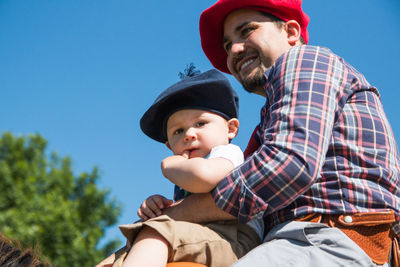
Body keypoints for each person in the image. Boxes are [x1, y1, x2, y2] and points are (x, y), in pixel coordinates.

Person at [156, 0, 400, 266]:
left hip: (329, 236)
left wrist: (174, 215)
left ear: (291, 32)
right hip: (297, 241)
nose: (235, 49)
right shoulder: (269, 119)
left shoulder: (304, 59)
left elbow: (289, 164)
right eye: (228, 45)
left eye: (247, 30)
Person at [100, 69, 263, 267]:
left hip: (234, 239)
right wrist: (158, 204)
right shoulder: (186, 169)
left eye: (200, 123)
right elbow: (187, 205)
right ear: (170, 145)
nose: (189, 134)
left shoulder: (227, 153)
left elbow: (204, 177)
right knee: (120, 255)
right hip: (200, 235)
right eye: (178, 131)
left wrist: (170, 165)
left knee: (155, 233)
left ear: (230, 129)